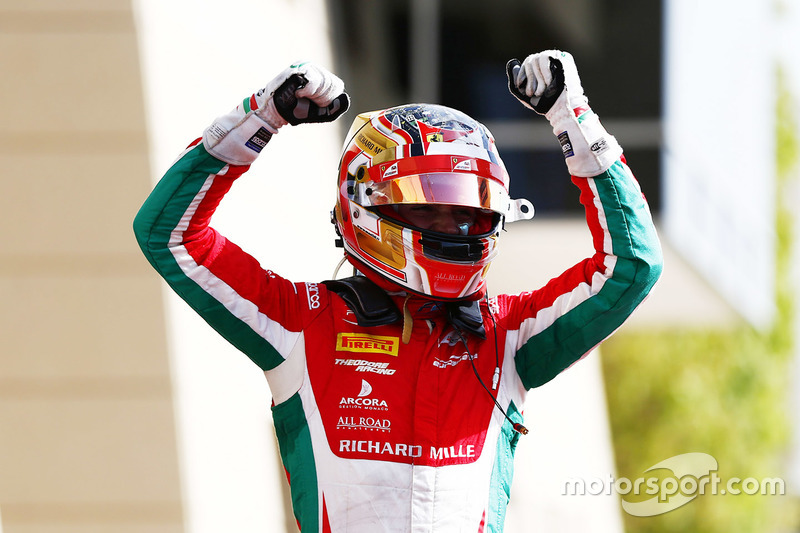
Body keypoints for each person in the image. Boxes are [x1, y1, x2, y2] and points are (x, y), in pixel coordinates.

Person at [134, 51, 662, 532]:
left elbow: (632, 266)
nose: (451, 226)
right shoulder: (297, 320)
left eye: (468, 212)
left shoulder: (510, 336)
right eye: (425, 204)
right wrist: (259, 118)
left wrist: (574, 119)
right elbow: (169, 234)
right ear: (364, 206)